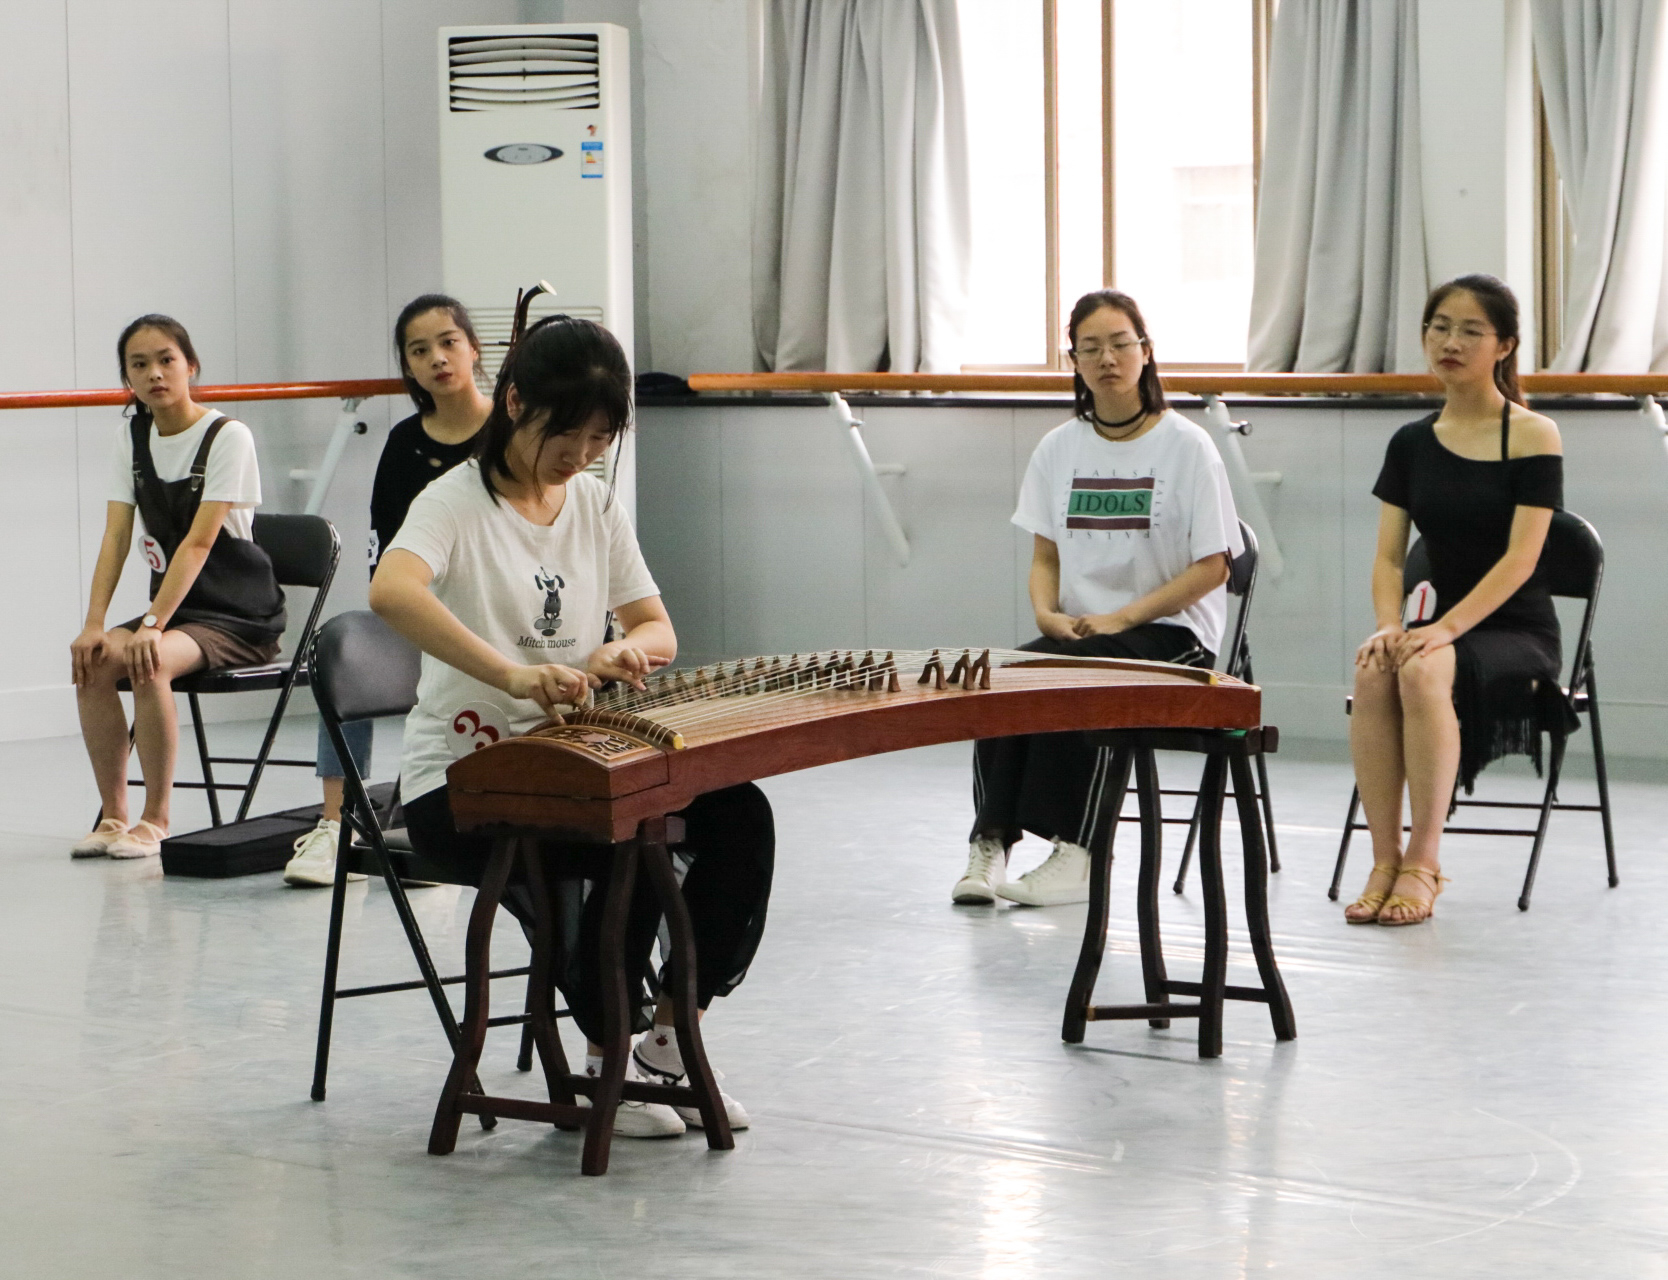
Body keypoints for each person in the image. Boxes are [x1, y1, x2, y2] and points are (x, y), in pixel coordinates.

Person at [369, 314, 773, 1139]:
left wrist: (623, 651)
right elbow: (391, 591)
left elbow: (657, 627)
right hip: (463, 779)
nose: (581, 454)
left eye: (600, 438)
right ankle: (605, 1058)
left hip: (580, 756)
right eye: (567, 433)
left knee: (737, 814)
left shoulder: (592, 503)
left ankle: (666, 1041)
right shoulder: (453, 502)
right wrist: (512, 674)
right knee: (624, 838)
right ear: (516, 402)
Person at [954, 289, 1241, 907]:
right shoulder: (1059, 447)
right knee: (1005, 677)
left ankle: (1080, 852)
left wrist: (1124, 616)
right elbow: (1046, 557)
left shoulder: (1188, 446)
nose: (1107, 358)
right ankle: (990, 843)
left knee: (1082, 678)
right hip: (1085, 632)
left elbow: (1214, 567)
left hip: (1174, 637)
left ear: (1146, 351)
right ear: (1074, 361)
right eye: (1091, 348)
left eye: (1120, 344)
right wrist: (1046, 614)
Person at [1344, 274, 1569, 927]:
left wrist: (1444, 629)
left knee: (1420, 667)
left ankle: (1424, 860)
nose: (1451, 342)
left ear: (1505, 346)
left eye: (1471, 331)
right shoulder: (1411, 442)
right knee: (1374, 666)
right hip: (1438, 626)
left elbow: (1521, 559)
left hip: (1516, 630)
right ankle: (1383, 859)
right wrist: (1387, 623)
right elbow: (1390, 558)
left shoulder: (1534, 434)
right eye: (1440, 327)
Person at [283, 295, 492, 886]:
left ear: (474, 349)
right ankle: (335, 823)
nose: (437, 359)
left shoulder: (512, 433)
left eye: (449, 342)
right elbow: (386, 554)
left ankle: (457, 824)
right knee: (343, 652)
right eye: (419, 351)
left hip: (493, 619)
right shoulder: (403, 443)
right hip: (418, 616)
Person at [70, 316, 287, 860]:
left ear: (191, 365)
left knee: (148, 659)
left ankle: (156, 819)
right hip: (176, 610)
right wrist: (94, 624)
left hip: (237, 614)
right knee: (93, 662)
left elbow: (198, 542)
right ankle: (114, 817)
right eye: (139, 364)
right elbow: (116, 536)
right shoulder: (130, 437)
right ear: (127, 377)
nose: (155, 374)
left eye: (166, 360)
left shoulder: (228, 436)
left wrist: (152, 623)